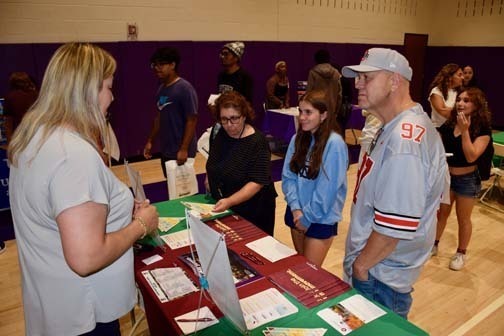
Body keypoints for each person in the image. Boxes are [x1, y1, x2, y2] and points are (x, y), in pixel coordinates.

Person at [8, 42, 159, 335]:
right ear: (87, 91)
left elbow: (59, 213)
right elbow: (85, 257)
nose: (112, 97)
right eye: (107, 87)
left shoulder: (34, 138)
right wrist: (141, 224)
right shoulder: (73, 154)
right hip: (85, 315)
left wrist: (117, 211)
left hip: (53, 305)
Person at [341, 48, 447, 319]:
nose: (357, 84)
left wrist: (361, 267)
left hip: (379, 276)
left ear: (394, 81)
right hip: (380, 271)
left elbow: (394, 227)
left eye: (367, 77)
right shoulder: (396, 126)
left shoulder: (404, 141)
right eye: (357, 78)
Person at [281, 91, 348, 267]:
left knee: (310, 274)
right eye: (300, 111)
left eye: (308, 112)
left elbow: (328, 190)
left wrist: (307, 217)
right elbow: (288, 177)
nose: (302, 117)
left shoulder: (334, 144)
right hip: (297, 213)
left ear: (324, 115)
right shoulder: (298, 138)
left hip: (319, 218)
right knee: (300, 266)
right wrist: (296, 209)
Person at [433, 87, 491, 271]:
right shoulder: (450, 123)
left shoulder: (482, 129)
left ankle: (461, 253)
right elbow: (436, 143)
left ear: (476, 105)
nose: (460, 103)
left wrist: (465, 131)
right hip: (447, 177)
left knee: (463, 218)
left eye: (466, 101)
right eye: (459, 99)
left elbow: (472, 156)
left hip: (467, 179)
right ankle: (434, 244)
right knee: (441, 214)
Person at [205, 91, 277, 236]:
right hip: (227, 204)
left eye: (234, 119)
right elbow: (213, 160)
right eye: (224, 119)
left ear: (244, 116)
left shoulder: (257, 141)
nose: (229, 125)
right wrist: (210, 177)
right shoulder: (221, 133)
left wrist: (229, 201)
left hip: (255, 209)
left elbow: (257, 182)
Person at [143, 47, 198, 178]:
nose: (157, 68)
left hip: (181, 150)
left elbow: (192, 120)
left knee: (183, 192)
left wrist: (184, 149)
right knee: (171, 187)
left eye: (161, 64)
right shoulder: (161, 89)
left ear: (173, 65)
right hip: (167, 149)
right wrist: (150, 140)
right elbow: (159, 117)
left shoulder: (185, 88)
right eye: (154, 65)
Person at [307, 49, 342, 133]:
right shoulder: (336, 73)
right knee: (329, 133)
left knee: (317, 133)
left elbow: (309, 92)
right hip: (332, 109)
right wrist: (337, 110)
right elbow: (339, 94)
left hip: (316, 109)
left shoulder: (313, 72)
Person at [3, 71, 38, 140]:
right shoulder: (36, 95)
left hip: (21, 135)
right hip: (37, 132)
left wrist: (9, 141)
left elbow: (8, 123)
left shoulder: (10, 98)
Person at [428, 63, 463, 128]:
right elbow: (443, 112)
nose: (462, 78)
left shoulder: (459, 92)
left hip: (456, 130)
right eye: (459, 75)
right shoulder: (436, 91)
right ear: (450, 77)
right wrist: (461, 111)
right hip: (438, 130)